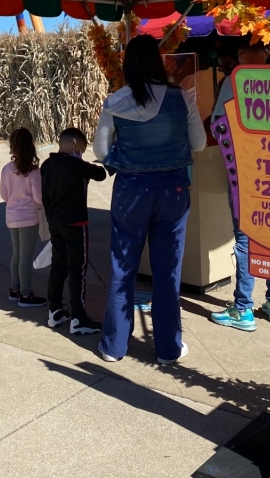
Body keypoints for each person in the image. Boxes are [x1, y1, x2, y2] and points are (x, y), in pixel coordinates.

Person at [93, 34, 207, 364]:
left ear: (128, 65)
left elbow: (101, 152)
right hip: (173, 192)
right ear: (159, 62)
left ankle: (114, 346)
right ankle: (169, 348)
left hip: (131, 193)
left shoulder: (115, 101)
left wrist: (128, 157)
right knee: (168, 270)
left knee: (122, 269)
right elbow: (198, 144)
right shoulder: (181, 97)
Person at [209, 38, 270, 331]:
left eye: (242, 50)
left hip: (244, 172)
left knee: (245, 237)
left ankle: (243, 309)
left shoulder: (235, 80)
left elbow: (219, 127)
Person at [41, 127, 107, 335]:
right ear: (76, 146)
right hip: (76, 224)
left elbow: (45, 196)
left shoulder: (47, 165)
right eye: (82, 150)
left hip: (55, 222)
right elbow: (101, 174)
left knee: (58, 265)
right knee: (77, 269)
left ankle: (55, 311)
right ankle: (78, 317)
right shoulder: (77, 165)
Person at [0, 128, 47, 309]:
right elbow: (38, 198)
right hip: (28, 218)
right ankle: (26, 294)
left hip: (11, 217)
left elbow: (4, 195)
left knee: (17, 254)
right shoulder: (34, 171)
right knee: (26, 257)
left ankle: (15, 288)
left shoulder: (6, 169)